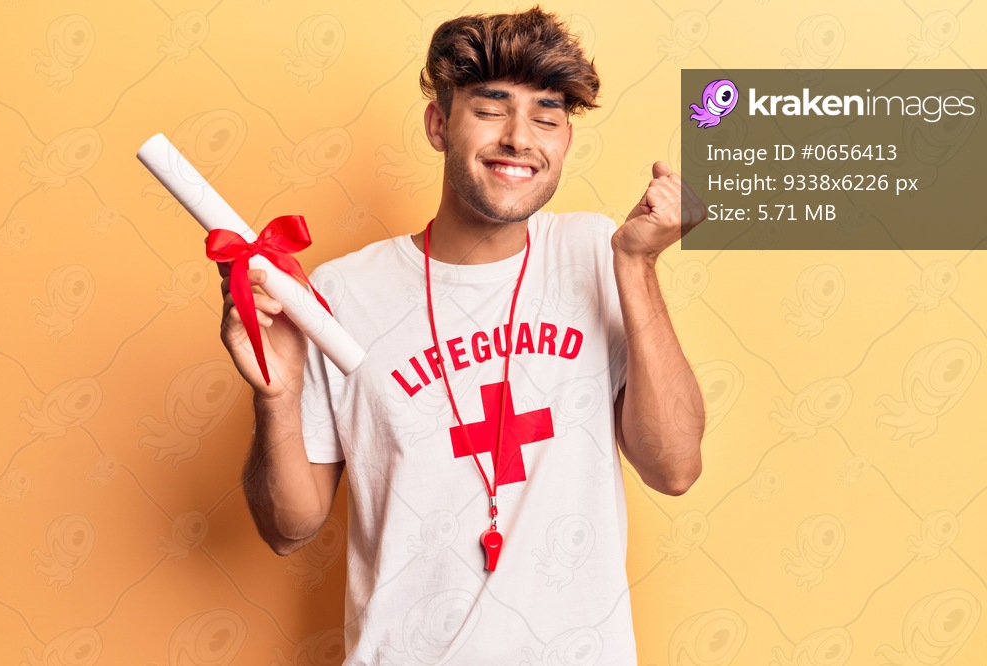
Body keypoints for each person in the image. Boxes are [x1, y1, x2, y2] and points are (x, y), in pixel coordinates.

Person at [218, 7, 705, 664]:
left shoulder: (595, 252)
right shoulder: (342, 294)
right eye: (490, 108)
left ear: (565, 139)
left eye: (546, 116)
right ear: (438, 125)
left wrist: (638, 264)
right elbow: (288, 529)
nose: (519, 137)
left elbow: (674, 467)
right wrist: (275, 396)